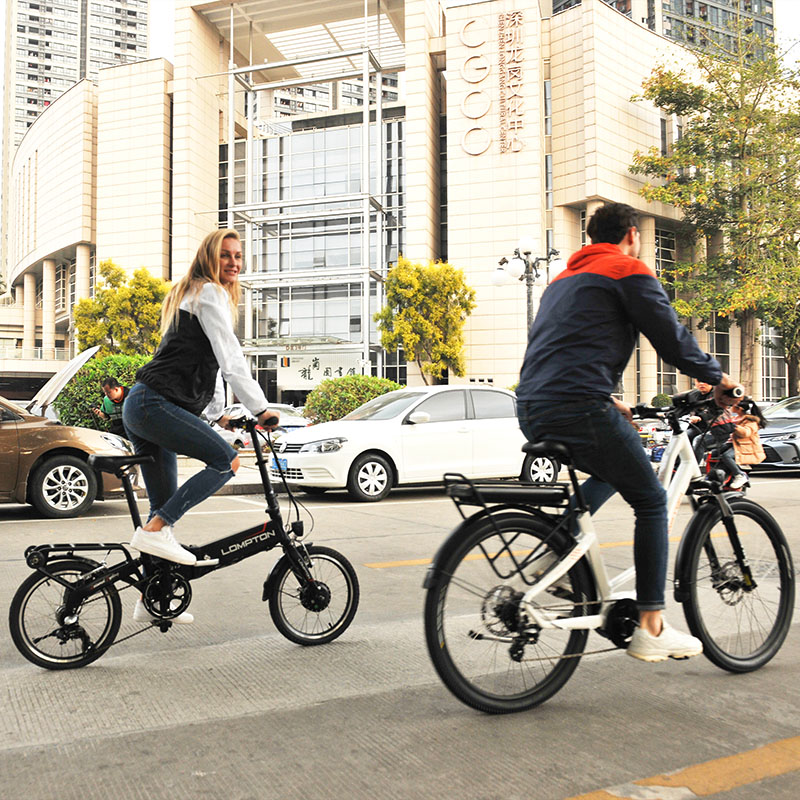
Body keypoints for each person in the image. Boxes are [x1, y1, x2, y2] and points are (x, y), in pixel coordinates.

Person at [516, 202, 741, 663]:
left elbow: (564, 347)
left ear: (591, 237)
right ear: (632, 235)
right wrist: (719, 379)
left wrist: (609, 398)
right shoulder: (627, 269)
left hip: (532, 405)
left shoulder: (561, 281)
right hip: (578, 405)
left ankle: (554, 553)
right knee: (652, 501)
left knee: (611, 469)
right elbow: (672, 341)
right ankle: (651, 626)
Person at [123, 229, 280, 624]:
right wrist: (261, 409)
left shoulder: (191, 293)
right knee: (227, 460)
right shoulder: (209, 292)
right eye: (225, 255)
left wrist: (218, 415)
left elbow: (198, 367)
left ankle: (151, 599)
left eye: (238, 256)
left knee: (161, 507)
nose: (234, 263)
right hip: (153, 405)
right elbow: (230, 359)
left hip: (143, 405)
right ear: (209, 257)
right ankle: (155, 531)